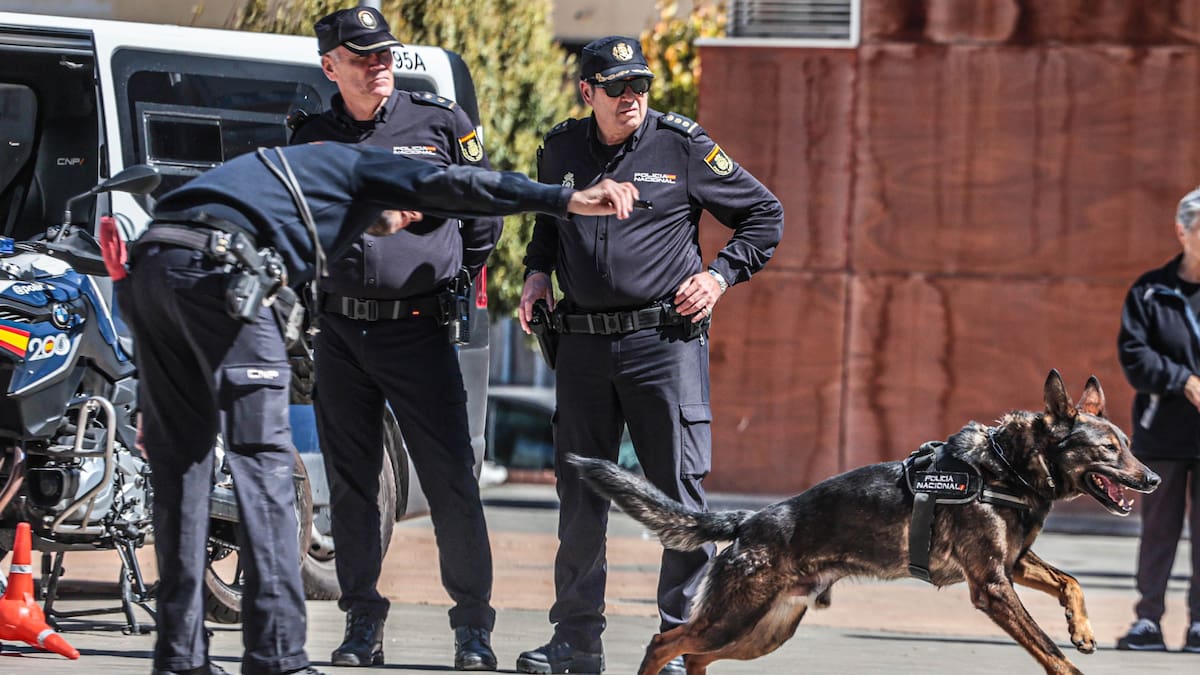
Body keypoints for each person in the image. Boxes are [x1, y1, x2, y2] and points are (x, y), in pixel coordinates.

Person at [99, 142, 638, 675]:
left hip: (152, 264)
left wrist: (155, 398)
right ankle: (277, 657)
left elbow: (177, 252)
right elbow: (468, 186)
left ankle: (179, 658)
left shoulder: (277, 177)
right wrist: (565, 198)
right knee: (263, 468)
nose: (410, 217)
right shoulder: (354, 162)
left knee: (183, 472)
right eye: (405, 206)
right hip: (221, 270)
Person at [513, 36, 784, 675]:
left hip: (662, 344)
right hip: (580, 345)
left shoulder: (682, 145)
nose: (632, 96)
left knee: (680, 501)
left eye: (640, 85)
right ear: (588, 92)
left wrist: (718, 278)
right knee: (581, 494)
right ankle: (575, 643)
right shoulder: (559, 148)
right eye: (617, 86)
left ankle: (680, 642)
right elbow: (548, 223)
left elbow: (764, 216)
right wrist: (534, 274)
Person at [288, 8, 504, 670]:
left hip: (418, 329)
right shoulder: (309, 134)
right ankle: (362, 625)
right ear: (331, 66)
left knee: (450, 484)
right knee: (353, 488)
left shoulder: (440, 122)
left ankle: (472, 629)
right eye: (362, 56)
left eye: (384, 53)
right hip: (341, 334)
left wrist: (450, 281)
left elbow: (483, 216)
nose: (378, 64)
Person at [1115, 184, 1200, 654]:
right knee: (1159, 533)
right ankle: (1147, 620)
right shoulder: (1150, 290)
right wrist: (1183, 380)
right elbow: (1134, 356)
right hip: (1162, 433)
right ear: (1182, 232)